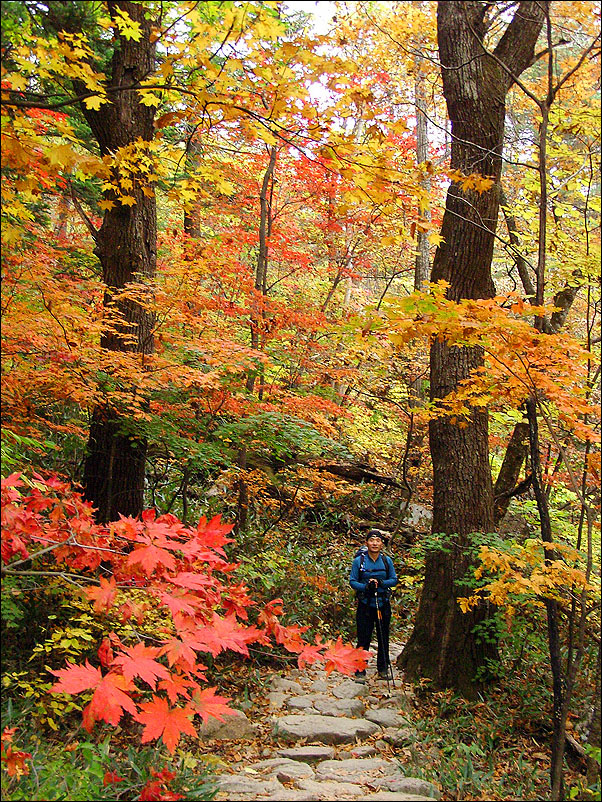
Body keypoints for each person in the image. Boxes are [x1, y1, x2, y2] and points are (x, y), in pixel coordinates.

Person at [349, 529, 398, 681]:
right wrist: (365, 587)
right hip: (365, 603)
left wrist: (382, 583)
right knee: (364, 637)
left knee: (383, 635)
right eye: (372, 540)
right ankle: (360, 669)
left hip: (383, 603)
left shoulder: (386, 561)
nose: (374, 543)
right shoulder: (359, 561)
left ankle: (383, 668)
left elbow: (394, 579)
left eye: (377, 541)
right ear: (366, 543)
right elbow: (352, 581)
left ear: (381, 544)